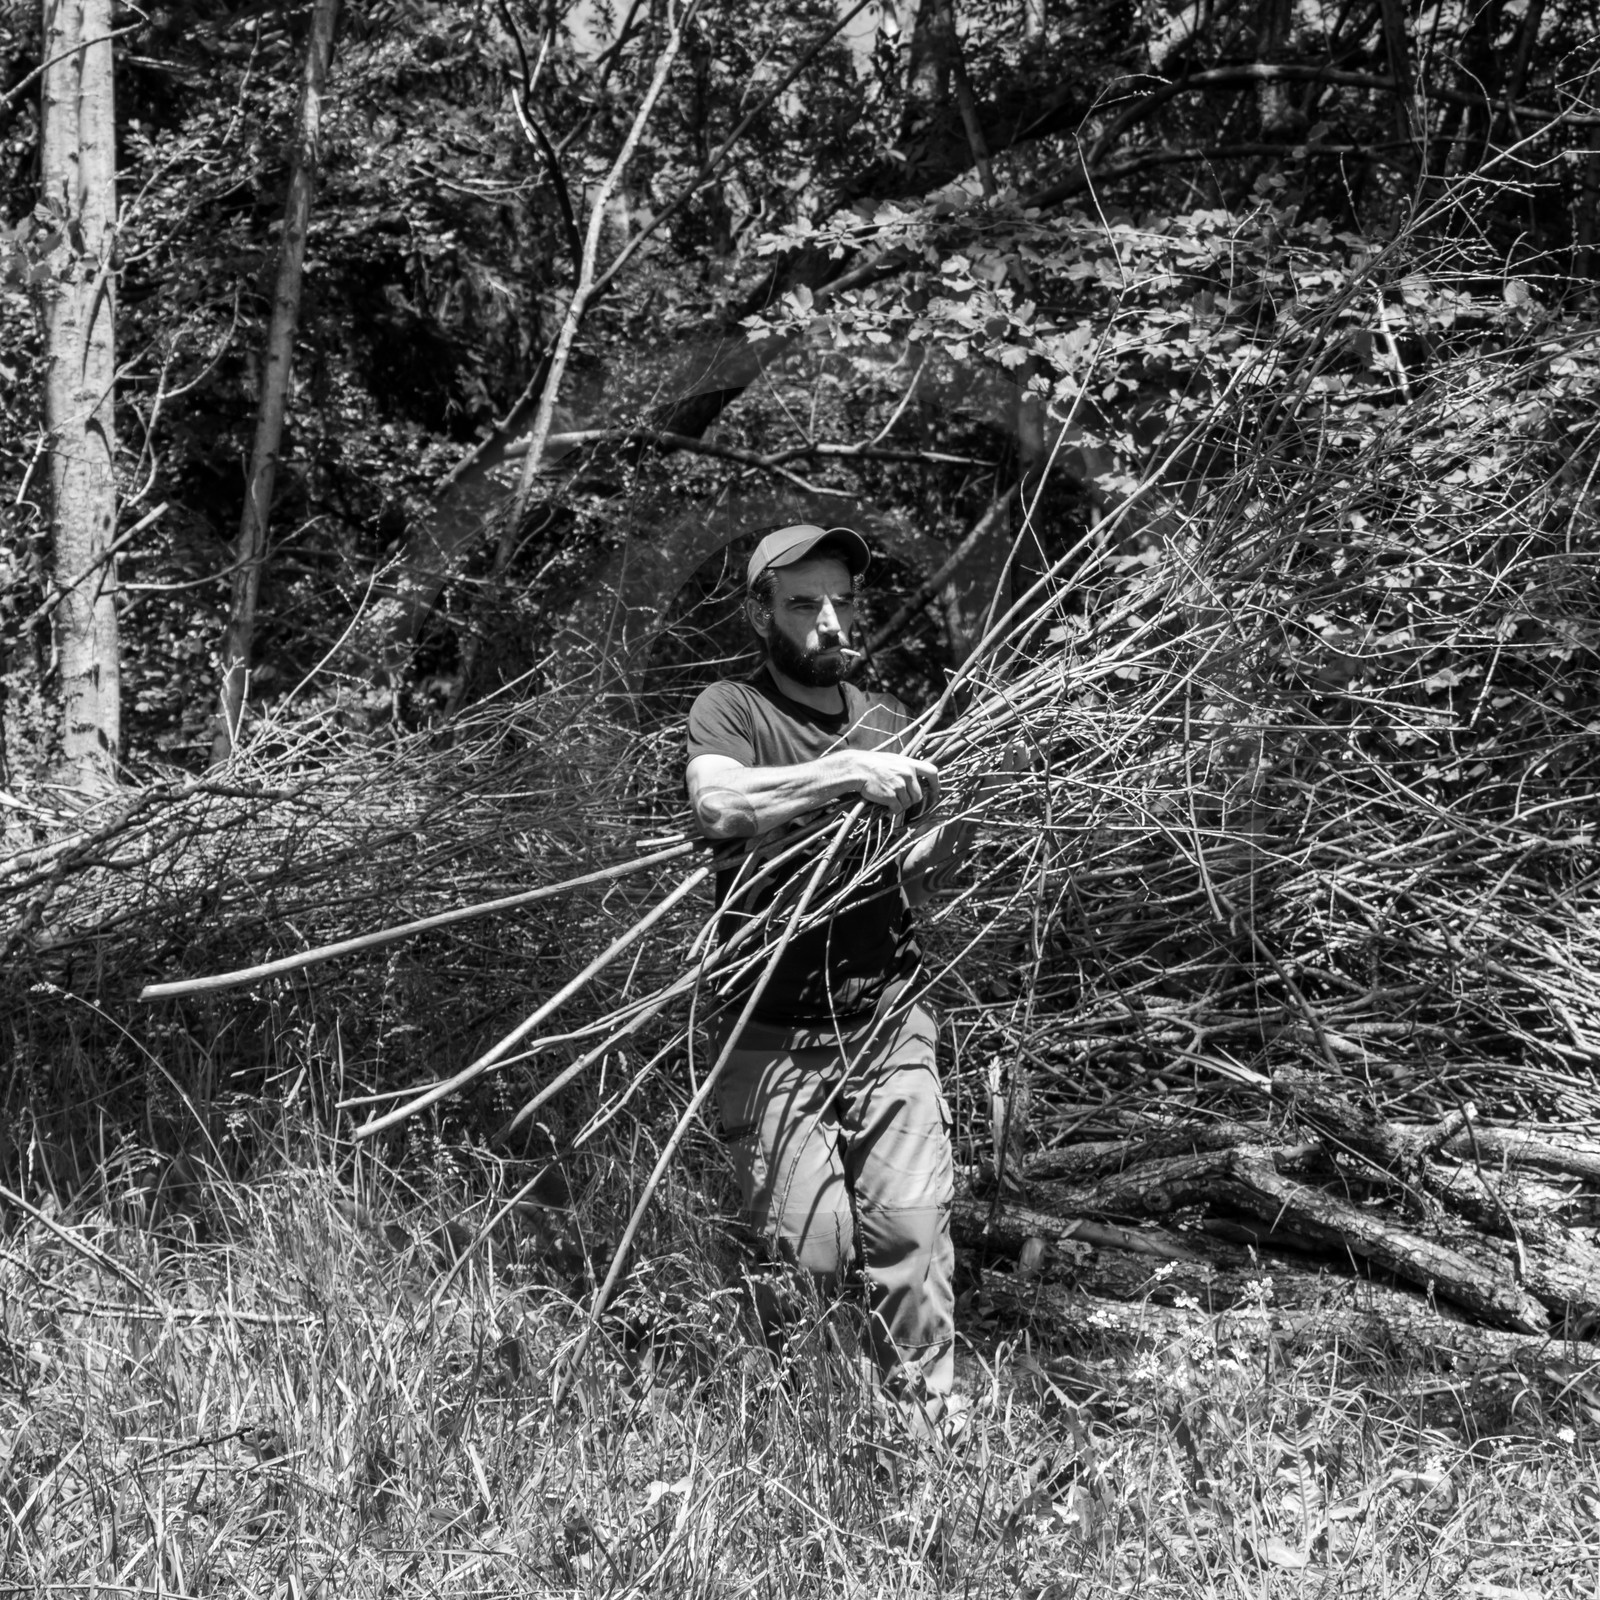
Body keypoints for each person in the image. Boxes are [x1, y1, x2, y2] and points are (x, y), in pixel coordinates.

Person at [684, 522, 969, 1415]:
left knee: (913, 1235)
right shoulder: (731, 709)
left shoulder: (888, 719)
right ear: (761, 613)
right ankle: (819, 1421)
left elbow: (918, 862)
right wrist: (843, 774)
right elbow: (720, 804)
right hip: (768, 1022)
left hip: (888, 1014)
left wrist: (942, 826)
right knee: (811, 1250)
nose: (830, 621)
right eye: (805, 603)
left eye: (841, 602)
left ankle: (930, 1436)